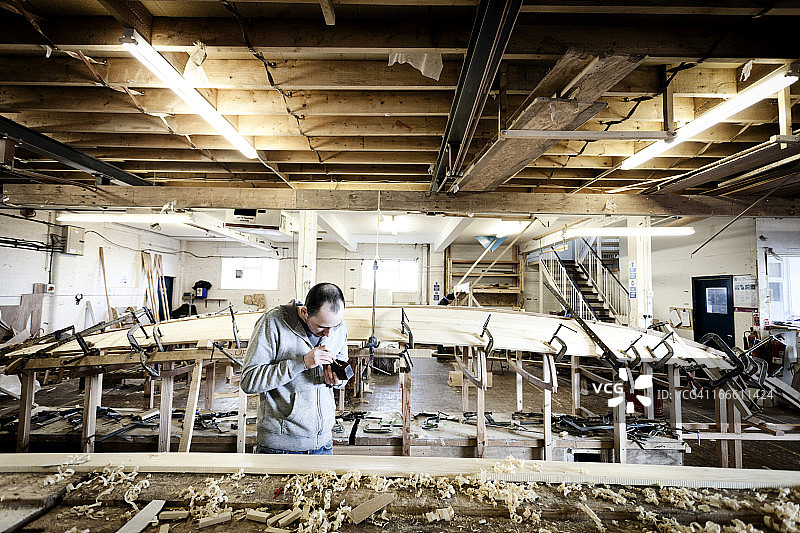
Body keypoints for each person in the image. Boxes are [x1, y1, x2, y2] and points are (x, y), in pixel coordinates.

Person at [241, 282, 349, 455]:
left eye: (334, 326)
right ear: (304, 312)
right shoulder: (273, 322)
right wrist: (302, 363)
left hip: (324, 443)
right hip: (280, 448)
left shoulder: (337, 327)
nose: (329, 334)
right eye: (322, 327)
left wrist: (338, 381)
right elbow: (249, 381)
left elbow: (342, 369)